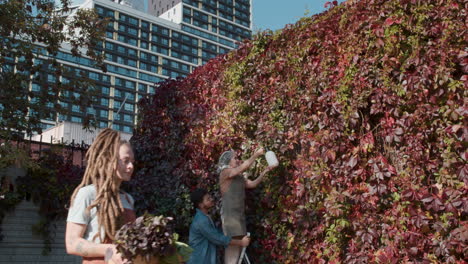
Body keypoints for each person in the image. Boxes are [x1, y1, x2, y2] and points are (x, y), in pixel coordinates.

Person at [65, 128, 136, 264]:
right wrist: (110, 249)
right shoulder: (88, 194)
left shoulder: (128, 199)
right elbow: (72, 243)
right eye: (126, 160)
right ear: (109, 160)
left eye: (132, 161)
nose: (131, 166)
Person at [218, 147, 277, 264]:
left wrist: (265, 171)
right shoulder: (225, 172)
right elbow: (243, 167)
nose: (237, 160)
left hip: (238, 215)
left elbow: (252, 184)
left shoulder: (238, 176)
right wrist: (255, 155)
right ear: (228, 161)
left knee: (239, 247)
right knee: (233, 247)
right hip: (230, 217)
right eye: (235, 158)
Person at [187, 188, 250, 264]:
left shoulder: (204, 216)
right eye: (208, 199)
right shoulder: (201, 221)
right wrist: (241, 242)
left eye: (210, 197)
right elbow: (217, 238)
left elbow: (216, 234)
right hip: (200, 260)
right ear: (201, 205)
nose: (211, 199)